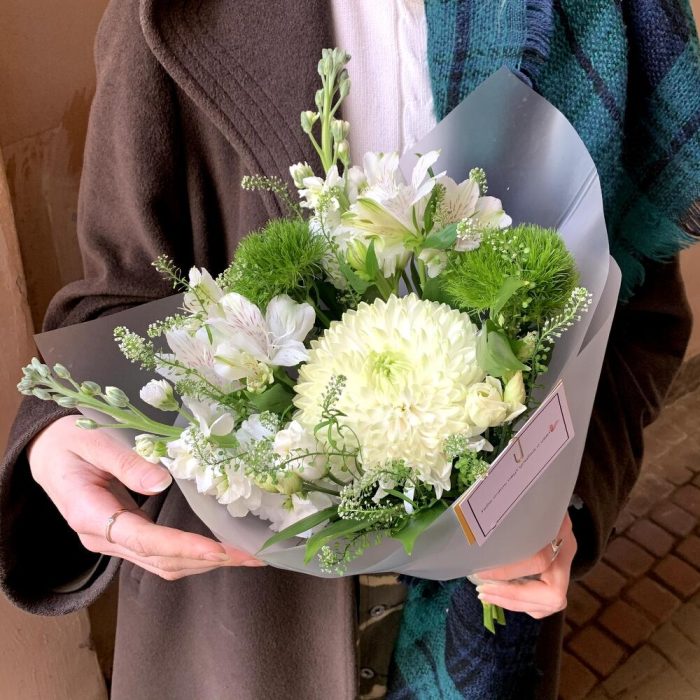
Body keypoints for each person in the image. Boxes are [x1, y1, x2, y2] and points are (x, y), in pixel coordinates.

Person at [1, 1, 697, 699]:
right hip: (244, 626)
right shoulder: (171, 13)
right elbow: (121, 295)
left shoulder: (600, 19)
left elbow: (637, 317)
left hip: (484, 628)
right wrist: (61, 427)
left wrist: (561, 500)